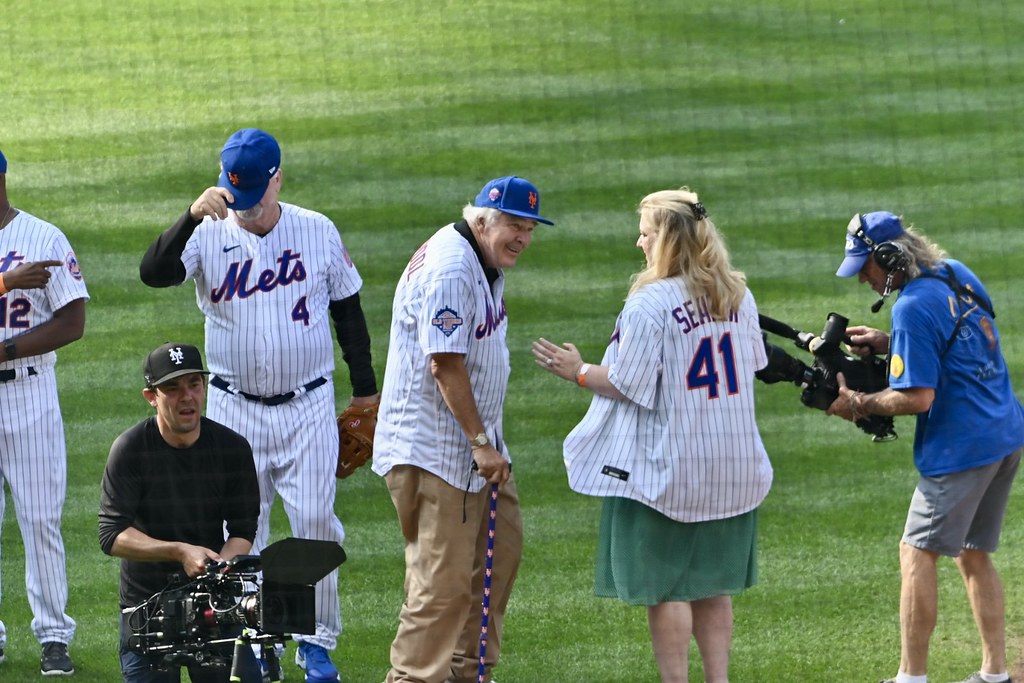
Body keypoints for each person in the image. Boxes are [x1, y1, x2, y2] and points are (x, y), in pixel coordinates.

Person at [139, 128, 379, 683]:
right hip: (233, 408)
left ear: (278, 177)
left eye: (253, 195)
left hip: (307, 406)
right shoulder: (207, 230)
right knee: (244, 529)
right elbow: (152, 272)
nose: (242, 208)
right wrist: (188, 217)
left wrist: (365, 389)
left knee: (316, 523)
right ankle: (256, 639)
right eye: (233, 194)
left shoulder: (316, 230)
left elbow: (349, 312)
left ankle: (315, 642)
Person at [532, 187, 772, 683]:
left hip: (674, 466)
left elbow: (626, 384)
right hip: (735, 462)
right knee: (713, 583)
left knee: (669, 589)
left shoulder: (651, 304)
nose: (638, 243)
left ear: (665, 240)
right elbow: (754, 363)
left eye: (644, 234)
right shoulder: (737, 295)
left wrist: (578, 371)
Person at [826, 211, 1023, 683]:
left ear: (889, 258)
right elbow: (963, 344)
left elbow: (917, 397)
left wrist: (858, 403)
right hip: (1005, 433)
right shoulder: (957, 274)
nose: (864, 280)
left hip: (962, 449)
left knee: (916, 552)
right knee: (973, 551)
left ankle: (910, 678)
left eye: (867, 268)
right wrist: (893, 343)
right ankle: (996, 674)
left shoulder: (911, 306)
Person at [372, 176, 551, 683]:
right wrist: (479, 443)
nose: (523, 237)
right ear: (482, 219)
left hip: (478, 452)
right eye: (514, 225)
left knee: (497, 564)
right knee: (440, 588)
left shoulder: (485, 258)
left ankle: (470, 673)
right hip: (436, 454)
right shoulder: (452, 268)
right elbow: (445, 364)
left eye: (530, 227)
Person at [98, 342, 263, 683]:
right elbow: (112, 535)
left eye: (193, 384)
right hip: (147, 610)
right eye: (172, 388)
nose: (186, 397)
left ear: (204, 387)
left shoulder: (232, 449)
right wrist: (179, 550)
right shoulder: (130, 450)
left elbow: (243, 529)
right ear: (151, 397)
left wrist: (218, 570)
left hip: (212, 605)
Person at [0, 148, 88, 676]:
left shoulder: (43, 237)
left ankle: (54, 635)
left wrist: (7, 351)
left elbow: (72, 321)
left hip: (29, 394)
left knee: (39, 520)